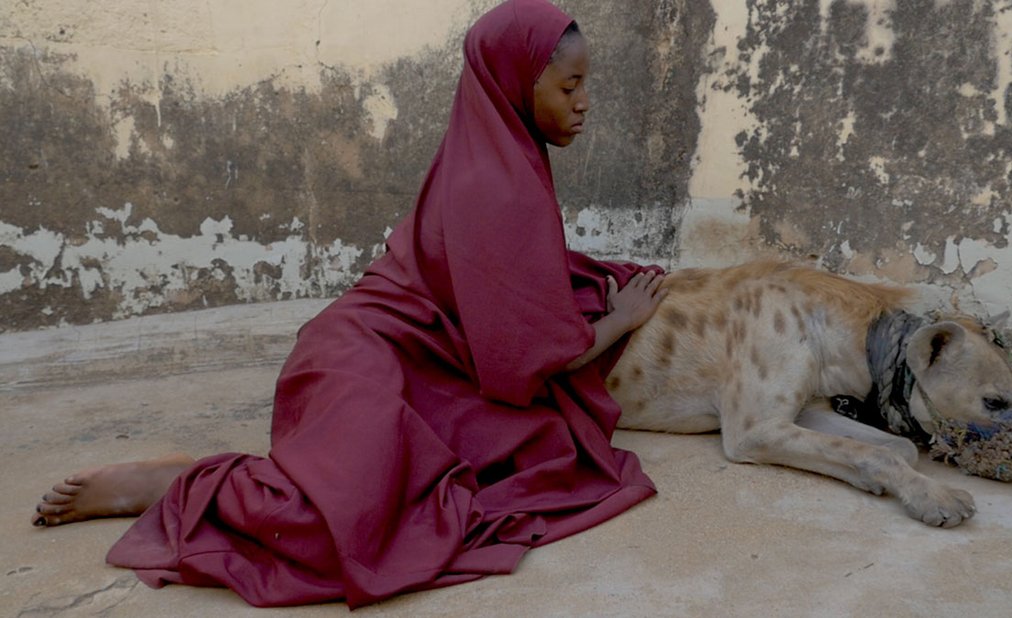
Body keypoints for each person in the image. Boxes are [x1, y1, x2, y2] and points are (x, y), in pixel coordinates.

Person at [31, 0, 666, 608]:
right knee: (342, 533)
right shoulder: (501, 190)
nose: (584, 103)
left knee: (402, 497)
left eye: (585, 84)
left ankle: (229, 476)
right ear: (513, 83)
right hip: (360, 358)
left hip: (391, 359)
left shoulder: (492, 156)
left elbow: (500, 291)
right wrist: (620, 318)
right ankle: (180, 482)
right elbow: (530, 362)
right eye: (568, 86)